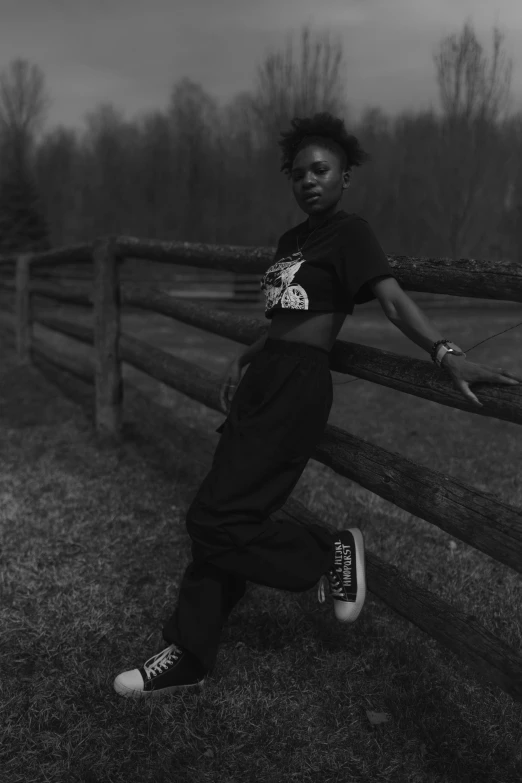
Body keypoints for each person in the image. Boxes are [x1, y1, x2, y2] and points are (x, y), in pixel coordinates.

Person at [113, 112, 521, 698]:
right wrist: (248, 354)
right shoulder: (289, 241)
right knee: (225, 515)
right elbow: (288, 314)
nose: (309, 180)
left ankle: (327, 554)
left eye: (321, 169)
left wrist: (445, 352)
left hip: (298, 387)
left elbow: (392, 300)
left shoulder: (351, 234)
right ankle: (189, 653)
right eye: (299, 172)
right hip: (267, 375)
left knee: (212, 518)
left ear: (344, 176)